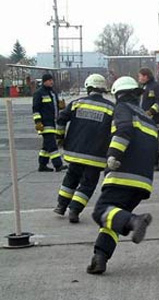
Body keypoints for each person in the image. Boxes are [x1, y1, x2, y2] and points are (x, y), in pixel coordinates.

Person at [87, 76, 158, 275]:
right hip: (143, 182)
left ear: (118, 94)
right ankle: (100, 258)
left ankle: (136, 221)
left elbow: (124, 130)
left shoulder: (122, 109)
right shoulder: (147, 118)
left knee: (100, 211)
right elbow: (155, 151)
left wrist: (113, 156)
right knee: (113, 219)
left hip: (123, 175)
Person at [53, 74, 114, 223]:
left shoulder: (77, 103)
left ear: (88, 87)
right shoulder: (111, 108)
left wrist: (60, 138)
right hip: (97, 155)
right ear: (103, 89)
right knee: (87, 184)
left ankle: (61, 206)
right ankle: (74, 211)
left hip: (75, 151)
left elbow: (61, 119)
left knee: (71, 178)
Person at [32, 73, 67, 172]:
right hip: (44, 124)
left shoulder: (53, 93)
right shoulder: (39, 93)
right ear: (44, 81)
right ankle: (58, 165)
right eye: (49, 80)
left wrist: (61, 106)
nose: (51, 82)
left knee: (46, 146)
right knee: (52, 145)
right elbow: (35, 109)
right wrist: (38, 122)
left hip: (53, 123)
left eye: (52, 80)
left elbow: (54, 107)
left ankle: (42, 165)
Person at [138, 67, 159, 171]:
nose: (139, 78)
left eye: (140, 76)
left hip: (154, 121)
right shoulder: (144, 87)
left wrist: (150, 112)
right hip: (143, 120)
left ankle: (155, 164)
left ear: (146, 76)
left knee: (154, 142)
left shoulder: (157, 87)